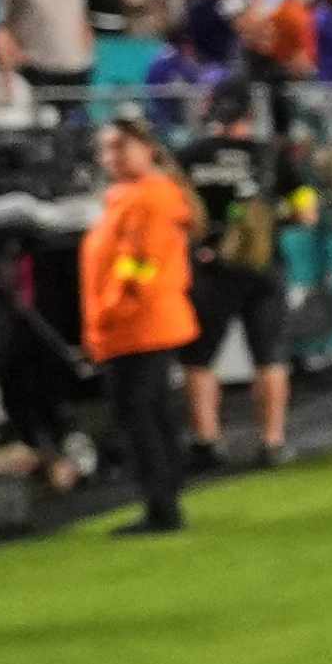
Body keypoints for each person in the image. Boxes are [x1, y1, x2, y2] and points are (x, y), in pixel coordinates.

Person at [81, 113, 200, 535]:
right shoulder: (132, 196)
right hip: (142, 322)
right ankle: (166, 498)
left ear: (146, 149)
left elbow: (140, 265)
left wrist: (111, 311)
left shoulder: (148, 198)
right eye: (106, 148)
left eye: (120, 146)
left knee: (138, 418)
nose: (111, 156)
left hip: (138, 325)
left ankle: (161, 507)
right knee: (154, 413)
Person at [185, 138, 296, 469]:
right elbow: (305, 208)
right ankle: (272, 442)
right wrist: (277, 215)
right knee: (270, 357)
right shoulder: (268, 153)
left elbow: (180, 211)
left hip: (212, 270)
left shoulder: (190, 155)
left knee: (199, 359)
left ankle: (206, 442)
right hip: (263, 267)